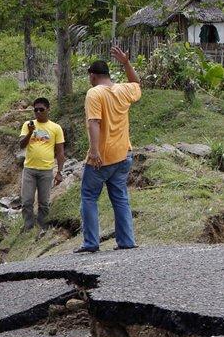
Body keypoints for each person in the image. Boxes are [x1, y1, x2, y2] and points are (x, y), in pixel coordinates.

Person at [75, 46, 141, 253]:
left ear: (92, 76)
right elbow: (136, 83)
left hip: (103, 157)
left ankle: (91, 242)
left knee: (88, 196)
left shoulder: (94, 93)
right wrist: (126, 63)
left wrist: (94, 152)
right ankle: (126, 240)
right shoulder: (123, 89)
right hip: (124, 154)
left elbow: (94, 122)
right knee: (120, 197)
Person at [17, 97, 65, 235]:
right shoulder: (28, 124)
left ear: (48, 110)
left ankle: (42, 228)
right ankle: (29, 228)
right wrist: (31, 132)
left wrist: (60, 171)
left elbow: (60, 152)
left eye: (41, 110)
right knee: (27, 201)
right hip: (29, 169)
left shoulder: (56, 128)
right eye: (35, 110)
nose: (38, 112)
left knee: (44, 203)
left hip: (46, 170)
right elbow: (21, 145)